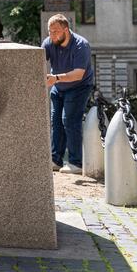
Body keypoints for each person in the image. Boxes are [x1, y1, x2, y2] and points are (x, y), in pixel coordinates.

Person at [42, 14, 94, 175]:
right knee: (56, 122)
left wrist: (55, 78)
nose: (52, 35)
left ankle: (75, 163)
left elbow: (78, 74)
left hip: (79, 86)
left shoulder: (81, 45)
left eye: (55, 31)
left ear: (66, 29)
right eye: (50, 31)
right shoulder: (49, 42)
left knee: (69, 121)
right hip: (59, 87)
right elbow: (37, 60)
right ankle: (55, 160)